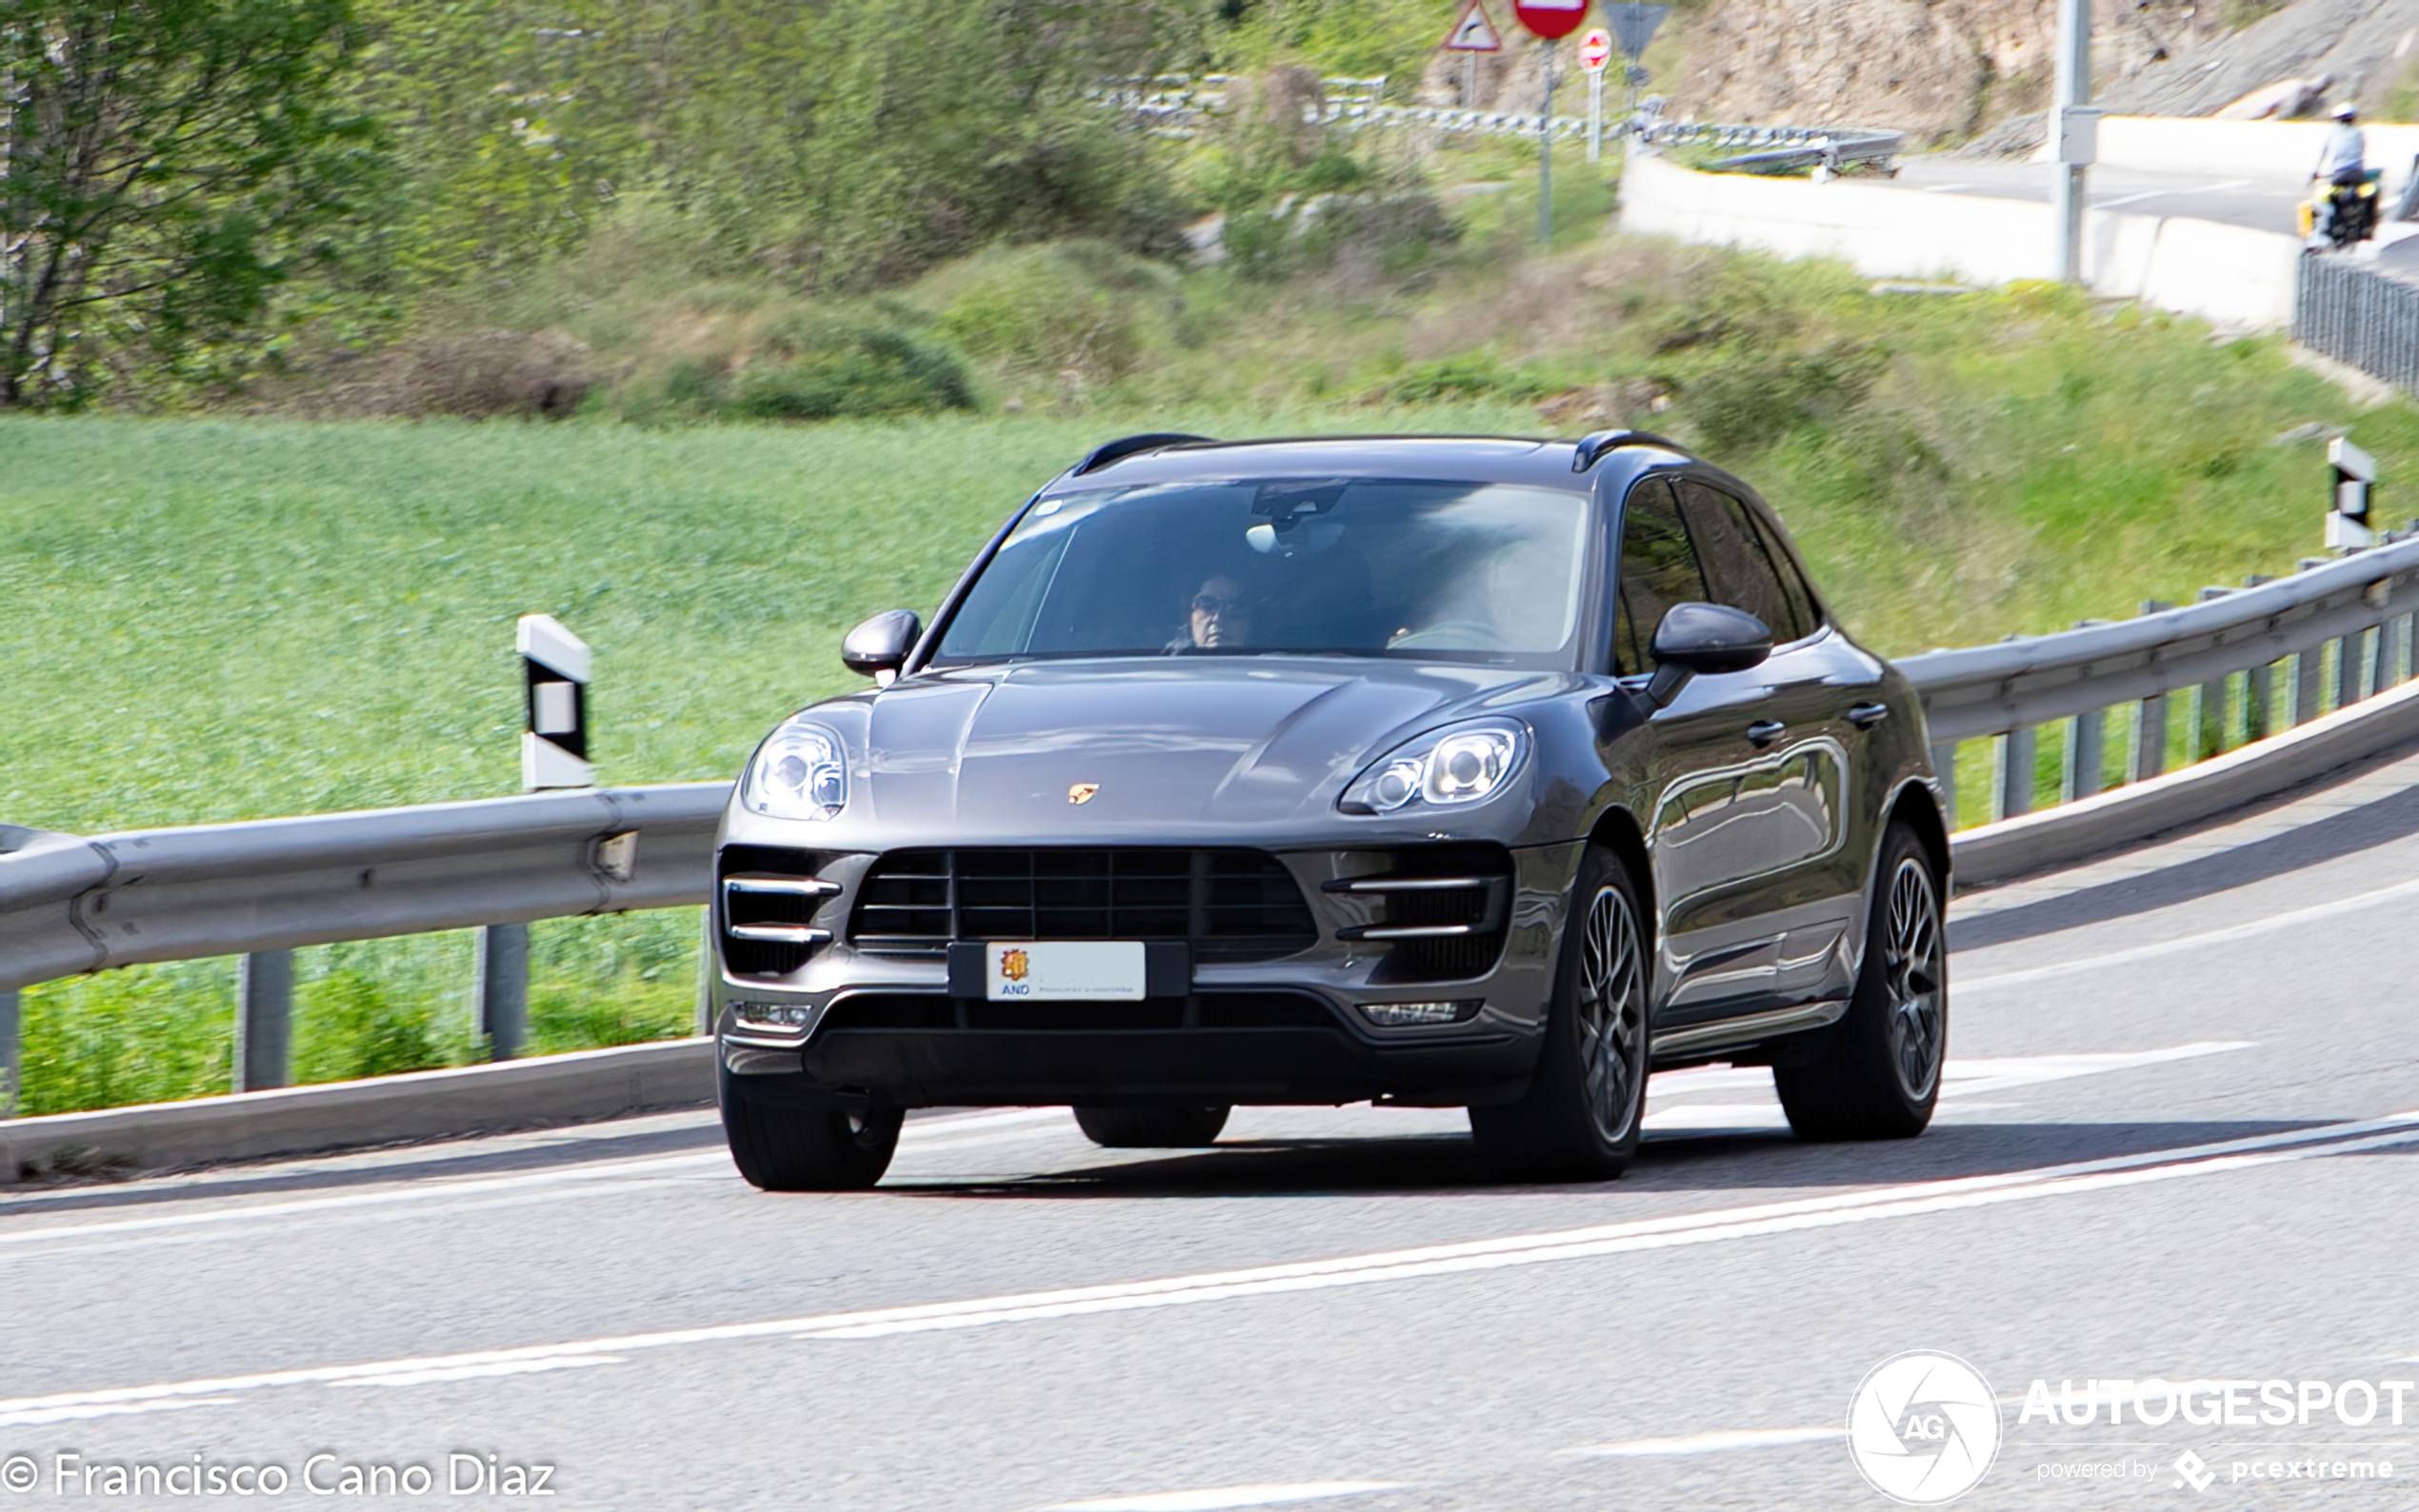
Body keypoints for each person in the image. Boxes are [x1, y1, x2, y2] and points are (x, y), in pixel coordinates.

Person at [1172, 574, 1252, 650]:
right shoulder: (1169, 660)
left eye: (1232, 608)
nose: (1217, 619)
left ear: (1247, 624)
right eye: (1206, 604)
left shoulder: (1262, 661)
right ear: (1190, 618)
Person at [2317, 101, 2366, 188]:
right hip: (2356, 174)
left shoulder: (2332, 132)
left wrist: (2315, 170)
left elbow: (2323, 151)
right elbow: (2362, 151)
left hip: (2338, 173)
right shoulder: (2358, 132)